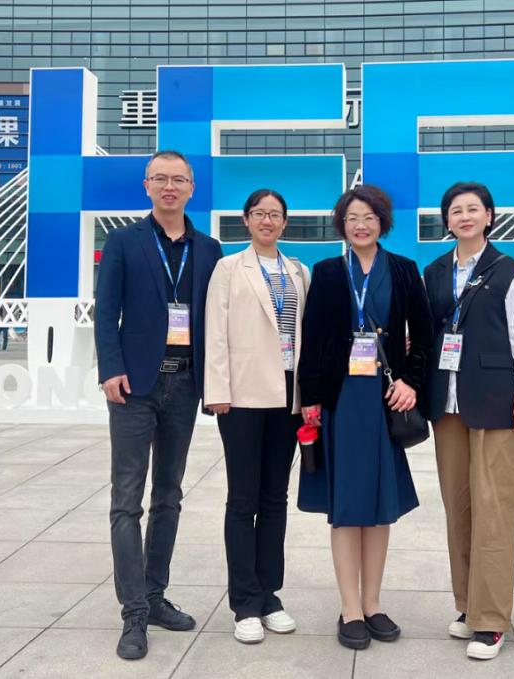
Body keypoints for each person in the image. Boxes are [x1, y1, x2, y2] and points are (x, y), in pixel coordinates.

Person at [95, 150, 222, 661]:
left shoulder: (208, 249)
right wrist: (110, 369)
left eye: (179, 180)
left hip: (184, 384)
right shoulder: (124, 242)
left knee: (169, 494)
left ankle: (154, 594)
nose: (170, 187)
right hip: (134, 386)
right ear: (147, 185)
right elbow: (107, 312)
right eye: (160, 179)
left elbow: (219, 318)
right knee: (127, 499)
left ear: (192, 187)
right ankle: (134, 613)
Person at [297, 185, 433, 651]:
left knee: (379, 506)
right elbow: (313, 339)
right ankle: (350, 608)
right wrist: (311, 397)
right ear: (342, 223)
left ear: (382, 222)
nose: (361, 225)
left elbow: (424, 336)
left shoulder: (404, 269)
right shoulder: (328, 272)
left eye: (369, 217)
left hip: (385, 400)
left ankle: (373, 603)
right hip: (340, 402)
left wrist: (412, 382)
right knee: (346, 506)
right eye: (352, 217)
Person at [423, 182, 514, 661]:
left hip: (497, 402)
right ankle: (468, 605)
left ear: (489, 216)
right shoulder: (434, 272)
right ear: (447, 220)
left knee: (494, 510)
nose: (465, 216)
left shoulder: (507, 270)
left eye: (474, 209)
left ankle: (491, 620)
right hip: (447, 405)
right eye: (456, 210)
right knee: (459, 508)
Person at [204, 189, 310, 644]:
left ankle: (269, 595)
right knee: (242, 498)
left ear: (285, 222)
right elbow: (215, 332)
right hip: (243, 396)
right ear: (246, 220)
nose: (267, 221)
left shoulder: (298, 271)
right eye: (259, 213)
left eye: (275, 214)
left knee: (275, 499)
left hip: (288, 397)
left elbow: (306, 335)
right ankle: (244, 602)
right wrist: (217, 391)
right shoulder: (229, 268)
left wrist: (308, 395)